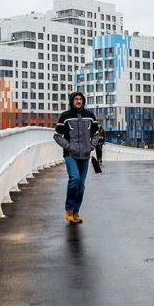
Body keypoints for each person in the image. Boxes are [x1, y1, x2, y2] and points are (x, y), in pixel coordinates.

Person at [54, 92, 99, 223]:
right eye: (76, 99)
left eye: (80, 99)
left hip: (85, 155)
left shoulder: (90, 116)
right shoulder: (65, 116)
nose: (78, 101)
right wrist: (68, 146)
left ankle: (76, 211)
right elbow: (57, 135)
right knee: (75, 178)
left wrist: (91, 146)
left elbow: (96, 134)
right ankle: (68, 209)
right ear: (71, 101)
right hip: (70, 155)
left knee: (81, 185)